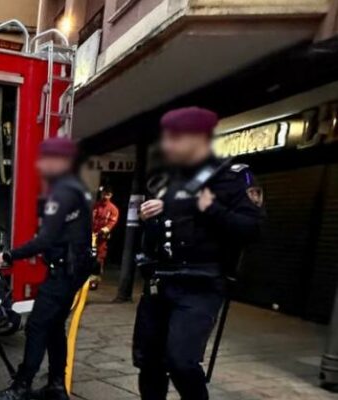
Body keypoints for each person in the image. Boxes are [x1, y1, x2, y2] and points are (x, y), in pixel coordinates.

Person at [132, 107, 261, 400]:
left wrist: (208, 207)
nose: (167, 144)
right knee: (149, 362)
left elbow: (252, 229)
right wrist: (149, 219)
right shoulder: (168, 182)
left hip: (200, 284)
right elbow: (164, 231)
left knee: (181, 362)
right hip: (160, 281)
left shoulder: (231, 178)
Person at [0, 137, 93, 400]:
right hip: (73, 270)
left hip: (63, 273)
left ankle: (21, 387)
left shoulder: (62, 192)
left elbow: (45, 239)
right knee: (55, 327)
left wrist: (5, 257)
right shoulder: (75, 188)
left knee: (36, 327)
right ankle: (56, 385)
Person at [90, 186, 119, 290]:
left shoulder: (113, 209)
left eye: (108, 194)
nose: (105, 196)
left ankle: (94, 281)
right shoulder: (95, 206)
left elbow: (112, 222)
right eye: (104, 193)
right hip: (90, 235)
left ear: (111, 195)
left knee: (99, 258)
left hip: (101, 238)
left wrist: (104, 230)